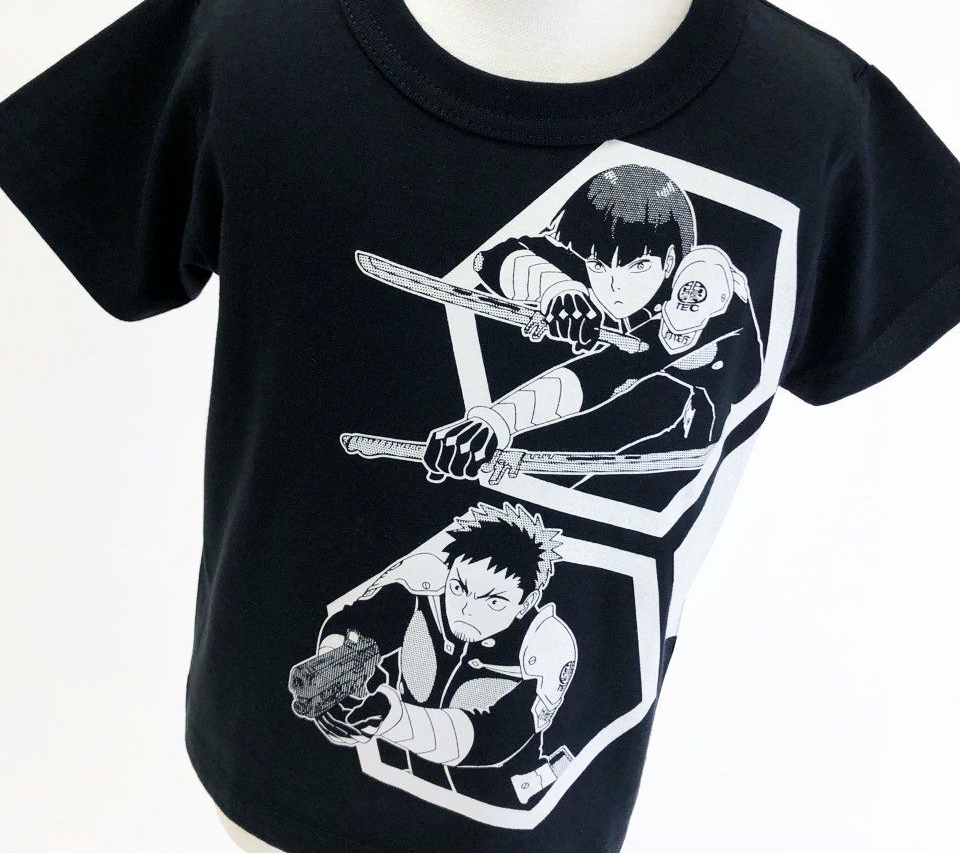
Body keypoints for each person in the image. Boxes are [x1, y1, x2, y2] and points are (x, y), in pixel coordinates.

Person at [424, 164, 765, 483]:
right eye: (598, 265)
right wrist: (557, 290)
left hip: (704, 424)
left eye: (638, 266)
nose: (615, 287)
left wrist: (498, 421)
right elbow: (495, 259)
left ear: (670, 262)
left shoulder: (697, 295)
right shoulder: (599, 251)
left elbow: (599, 374)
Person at [296, 501, 577, 807]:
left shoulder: (544, 648)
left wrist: (394, 719)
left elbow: (490, 739)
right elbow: (360, 621)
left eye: (494, 601)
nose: (467, 609)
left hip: (495, 803)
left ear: (527, 601)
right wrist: (333, 667)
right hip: (393, 790)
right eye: (459, 588)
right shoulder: (423, 594)